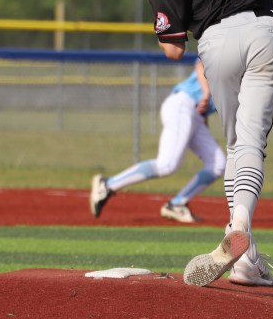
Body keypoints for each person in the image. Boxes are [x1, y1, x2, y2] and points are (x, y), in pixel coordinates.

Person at [126, 0, 273, 287]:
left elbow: (173, 49)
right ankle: (242, 236)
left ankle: (245, 255)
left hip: (217, 41)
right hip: (264, 30)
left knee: (236, 145)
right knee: (250, 144)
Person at [89, 59, 225, 224]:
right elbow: (201, 63)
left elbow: (206, 108)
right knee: (167, 165)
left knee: (218, 163)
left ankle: (176, 204)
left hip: (196, 116)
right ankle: (107, 185)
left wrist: (205, 125)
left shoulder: (244, 78)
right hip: (183, 105)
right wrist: (206, 92)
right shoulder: (235, 51)